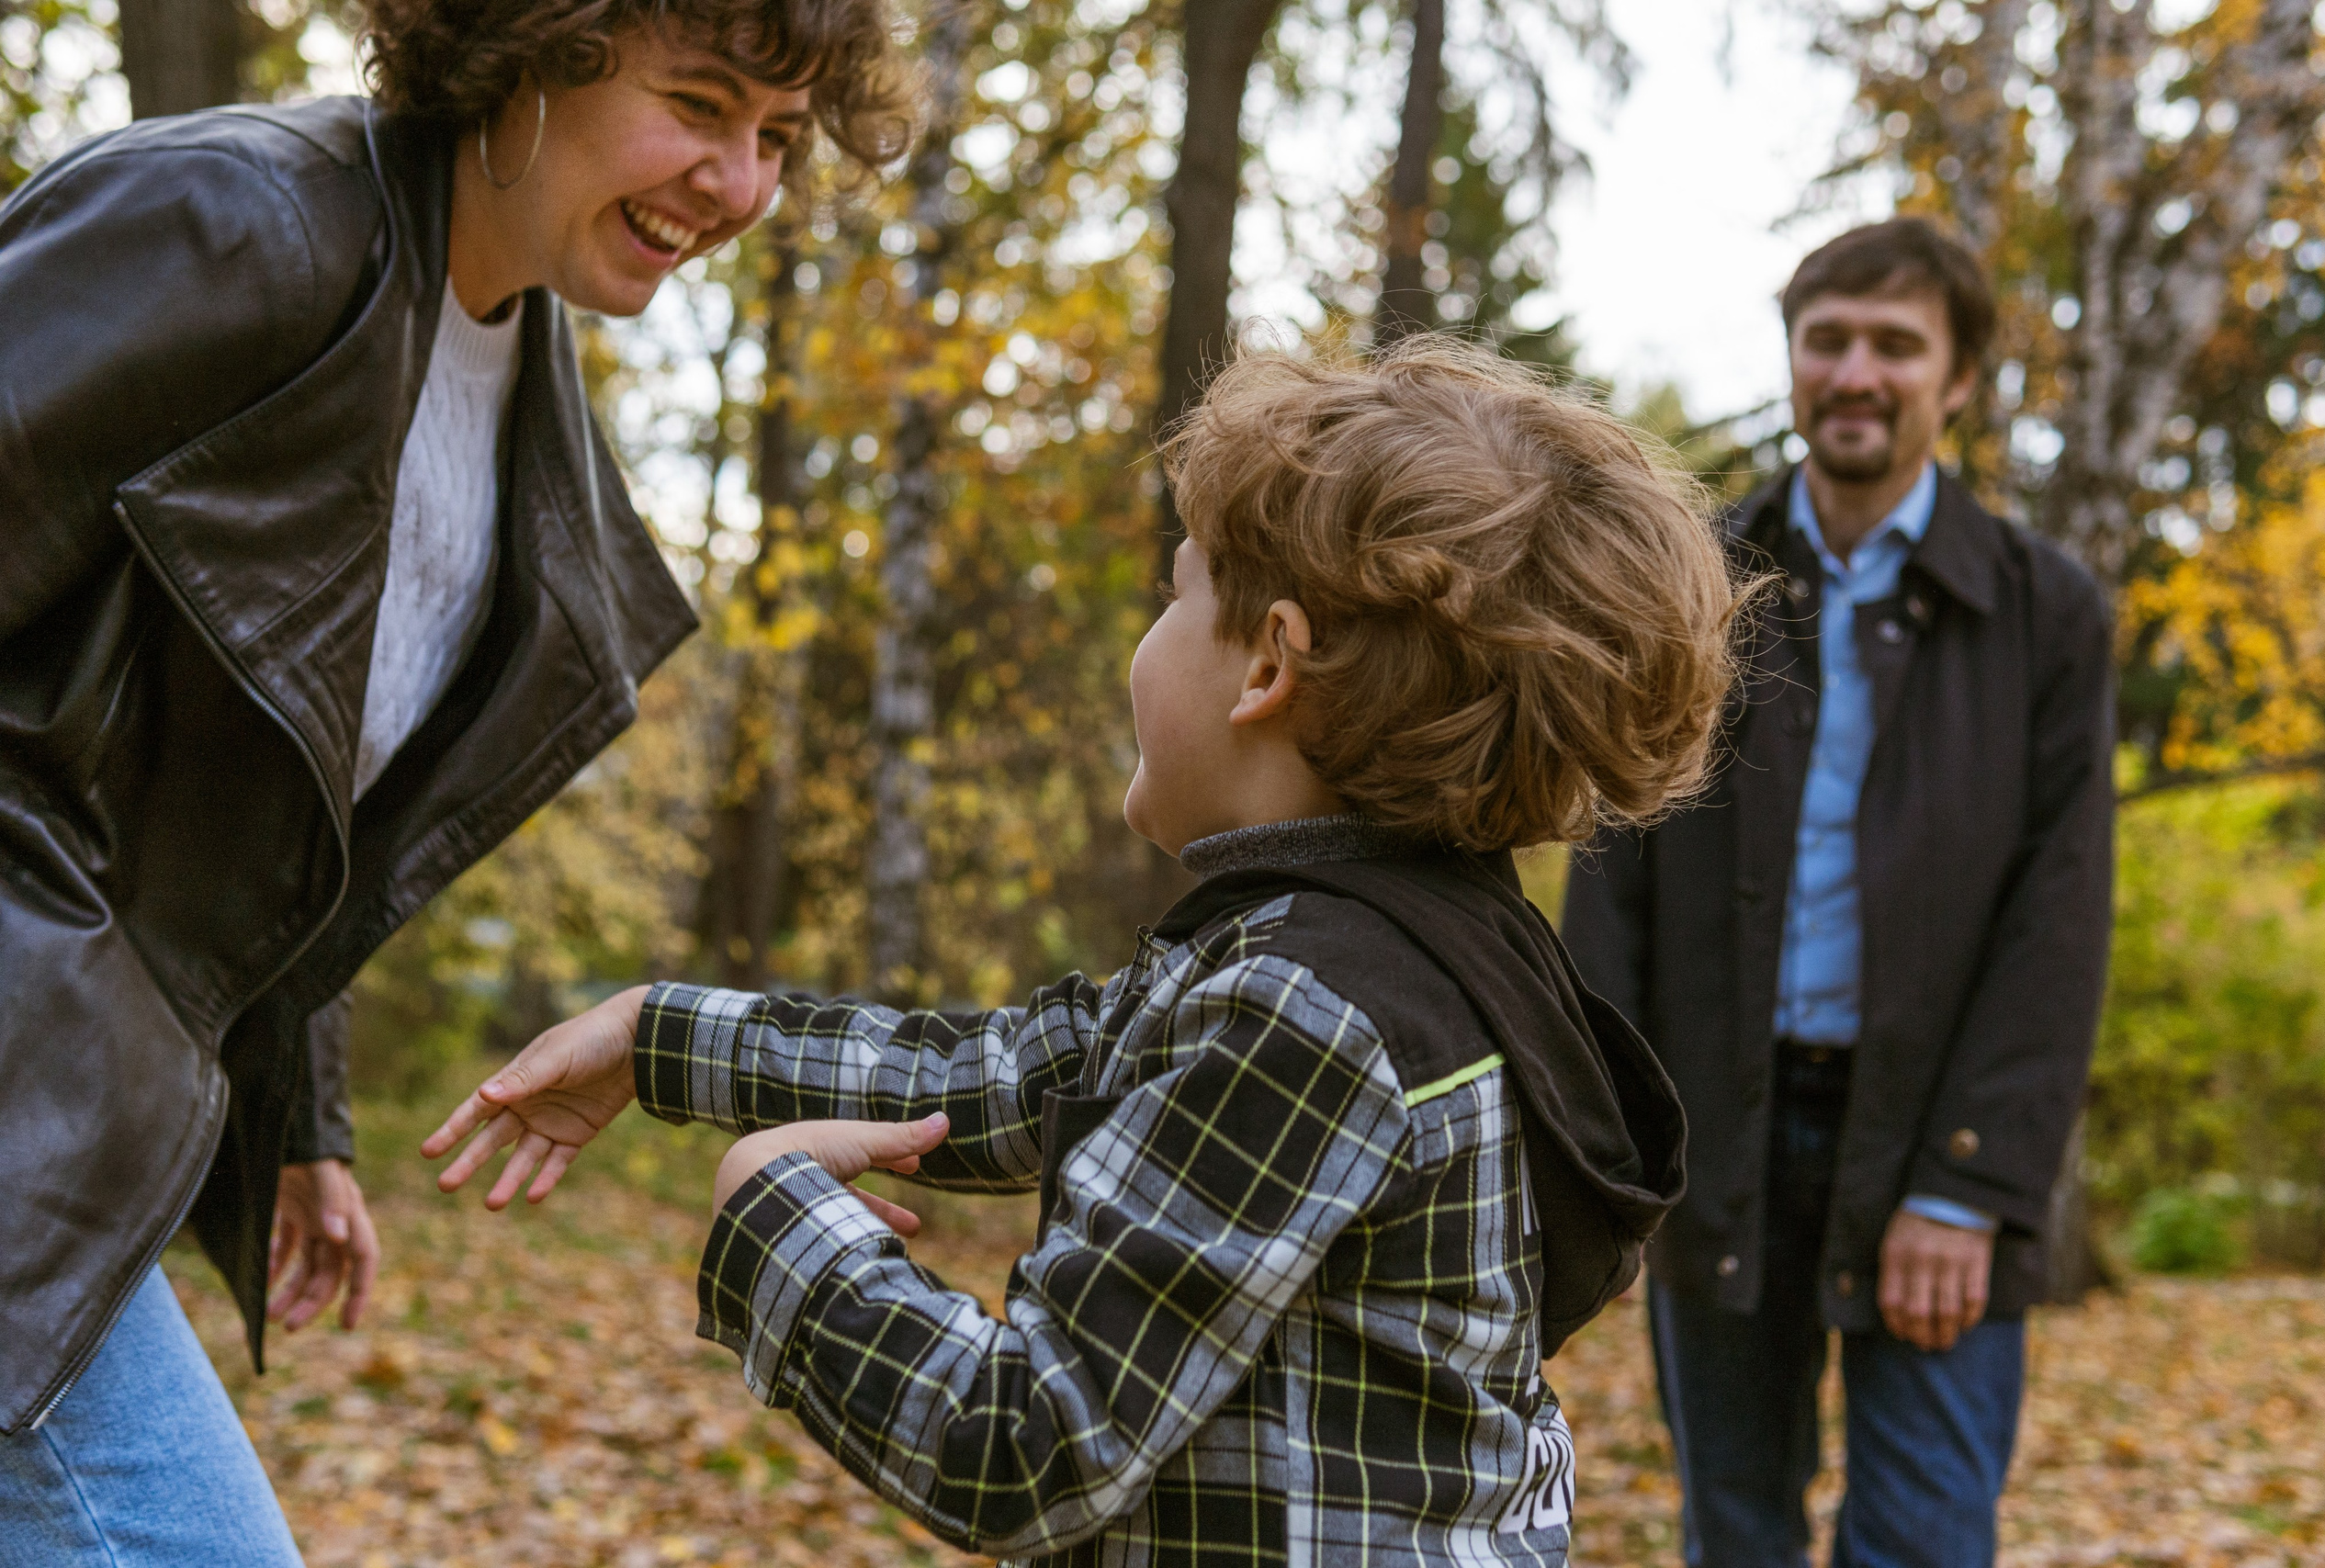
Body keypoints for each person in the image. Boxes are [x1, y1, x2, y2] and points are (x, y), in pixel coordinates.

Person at [423, 337, 1739, 1563]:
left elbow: (1023, 1445)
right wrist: (662, 1035)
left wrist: (775, 1217)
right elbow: (1008, 1073)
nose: (1143, 646)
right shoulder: (1385, 949)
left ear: (1267, 666)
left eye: (1175, 599)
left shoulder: (1309, 1008)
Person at [0, 2, 911, 1562]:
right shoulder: (239, 221)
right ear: (526, 47)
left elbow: (276, 783)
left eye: (777, 137)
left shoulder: (514, 391)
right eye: (698, 103)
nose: (743, 184)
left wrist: (299, 1116)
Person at [1563, 216, 2116, 1567]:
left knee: (1923, 1536)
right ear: (1795, 357)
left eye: (1896, 345)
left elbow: (2060, 918)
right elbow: (1613, 867)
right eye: (1830, 341)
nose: (1857, 373)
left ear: (1960, 380)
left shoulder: (2046, 612)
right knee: (1735, 1531)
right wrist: (1613, 1147)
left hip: (1932, 1148)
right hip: (1719, 1137)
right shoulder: (1691, 578)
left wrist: (1969, 1187)